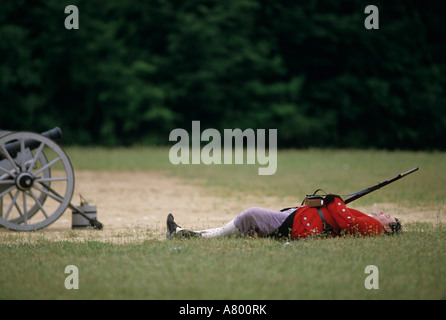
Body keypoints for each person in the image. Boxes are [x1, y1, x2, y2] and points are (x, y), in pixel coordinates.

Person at [166, 194, 402, 240]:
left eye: (387, 216)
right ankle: (186, 234)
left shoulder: (375, 227)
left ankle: (190, 236)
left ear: (389, 229)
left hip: (300, 224)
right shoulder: (371, 223)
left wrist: (334, 200)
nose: (382, 213)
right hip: (299, 218)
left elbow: (345, 220)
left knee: (250, 215)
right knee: (246, 223)